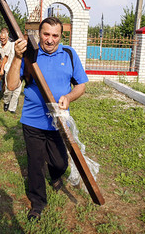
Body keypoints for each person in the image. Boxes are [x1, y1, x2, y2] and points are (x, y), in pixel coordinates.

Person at [6, 17, 88, 221]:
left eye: (55, 35)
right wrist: (17, 57)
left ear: (61, 36)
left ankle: (55, 175)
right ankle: (37, 202)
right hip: (32, 120)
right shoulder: (28, 55)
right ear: (39, 34)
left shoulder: (68, 54)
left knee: (60, 163)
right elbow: (11, 85)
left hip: (58, 121)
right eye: (46, 34)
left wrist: (69, 97)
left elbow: (81, 86)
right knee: (35, 163)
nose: (50, 40)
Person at [0, 28, 21, 113]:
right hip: (9, 70)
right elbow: (6, 57)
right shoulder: (11, 45)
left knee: (17, 91)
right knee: (8, 90)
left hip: (19, 71)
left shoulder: (23, 46)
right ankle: (6, 102)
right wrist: (2, 69)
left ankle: (12, 108)